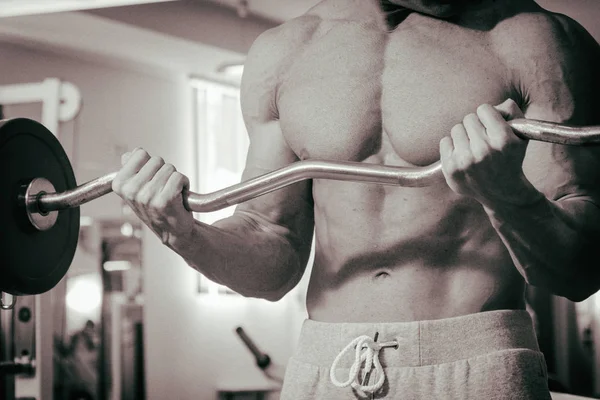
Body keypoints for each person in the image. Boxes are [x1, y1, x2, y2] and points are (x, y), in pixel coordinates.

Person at [112, 0, 600, 398]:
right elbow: (271, 250)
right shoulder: (285, 51)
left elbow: (579, 271)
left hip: (473, 362)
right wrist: (184, 234)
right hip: (326, 366)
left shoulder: (537, 42)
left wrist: (507, 194)